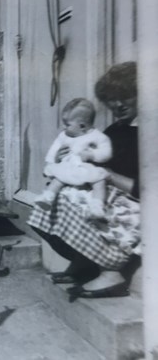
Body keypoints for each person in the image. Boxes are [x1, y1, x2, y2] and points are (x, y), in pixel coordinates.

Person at [28, 61, 140, 299]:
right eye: (112, 98)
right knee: (53, 197)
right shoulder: (112, 131)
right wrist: (64, 162)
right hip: (109, 194)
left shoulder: (150, 132)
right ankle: (85, 260)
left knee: (81, 204)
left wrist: (108, 176)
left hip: (138, 205)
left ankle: (112, 273)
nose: (117, 104)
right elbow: (91, 163)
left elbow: (145, 189)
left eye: (126, 96)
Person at [34, 98, 112, 219]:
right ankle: (48, 197)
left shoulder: (98, 136)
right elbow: (54, 148)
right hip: (69, 166)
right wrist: (51, 161)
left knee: (99, 181)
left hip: (86, 168)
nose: (64, 127)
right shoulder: (64, 136)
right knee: (58, 179)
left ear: (82, 126)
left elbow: (106, 152)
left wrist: (92, 155)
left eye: (67, 124)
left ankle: (97, 205)